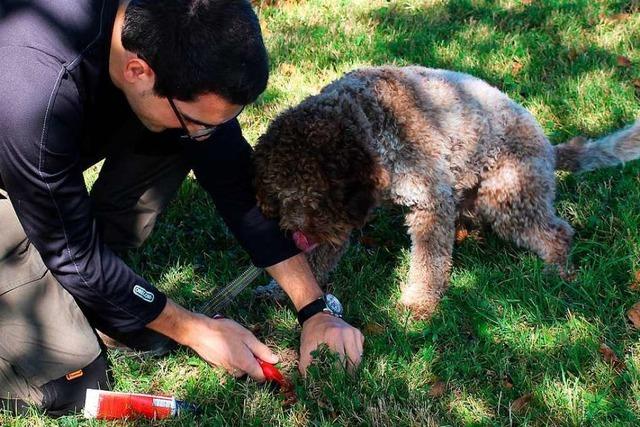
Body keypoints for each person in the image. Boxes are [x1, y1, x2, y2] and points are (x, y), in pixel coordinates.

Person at [0, 0, 363, 415]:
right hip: (13, 144)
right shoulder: (30, 92)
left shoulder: (170, 26)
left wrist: (314, 309)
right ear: (137, 70)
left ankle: (101, 289)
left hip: (44, 149)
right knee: (70, 383)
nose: (207, 133)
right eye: (199, 119)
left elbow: (230, 177)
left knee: (182, 134)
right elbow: (73, 252)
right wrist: (194, 329)